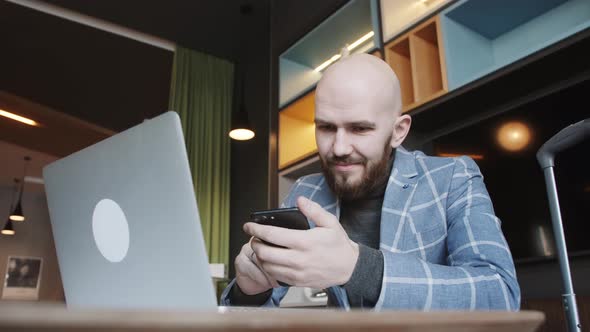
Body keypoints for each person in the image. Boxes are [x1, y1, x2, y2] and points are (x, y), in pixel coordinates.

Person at [221, 53, 520, 310]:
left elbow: (501, 294)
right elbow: (261, 308)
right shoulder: (305, 191)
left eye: (359, 128)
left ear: (399, 131)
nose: (338, 148)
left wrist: (358, 268)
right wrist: (248, 292)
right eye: (326, 127)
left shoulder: (454, 177)